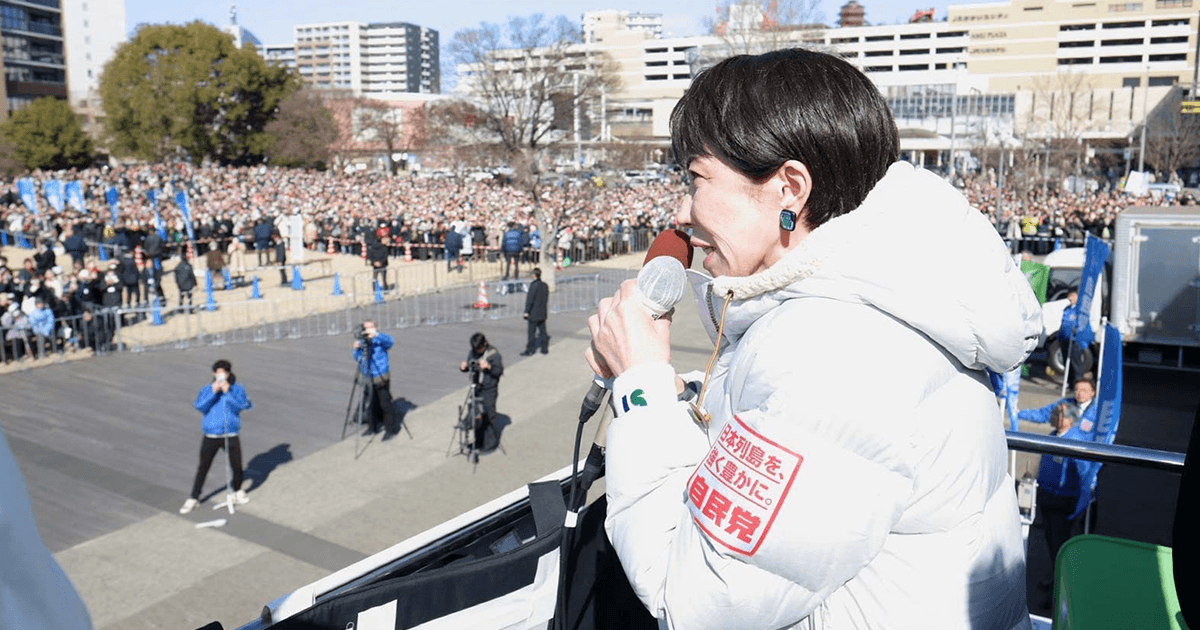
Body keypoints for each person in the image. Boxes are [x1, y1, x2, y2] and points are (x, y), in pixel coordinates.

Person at [585, 49, 1040, 630]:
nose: (683, 210)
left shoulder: (832, 351)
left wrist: (640, 387)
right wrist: (678, 395)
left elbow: (697, 603)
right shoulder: (871, 299)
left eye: (696, 178)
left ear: (789, 188)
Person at [180, 359, 252, 514]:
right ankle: (194, 497)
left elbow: (240, 406)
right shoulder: (207, 389)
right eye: (218, 373)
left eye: (224, 373)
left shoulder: (237, 389)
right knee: (203, 467)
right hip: (211, 435)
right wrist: (214, 391)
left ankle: (237, 491)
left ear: (228, 374)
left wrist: (228, 392)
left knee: (237, 465)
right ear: (214, 374)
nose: (221, 376)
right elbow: (200, 406)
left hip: (230, 434)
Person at [353, 320, 400, 440]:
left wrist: (376, 335)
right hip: (368, 375)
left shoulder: (380, 339)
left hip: (380, 375)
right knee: (370, 402)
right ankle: (372, 427)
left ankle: (391, 430)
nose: (368, 330)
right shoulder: (363, 341)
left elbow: (391, 342)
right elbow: (357, 358)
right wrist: (357, 349)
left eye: (371, 327)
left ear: (375, 328)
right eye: (366, 328)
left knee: (385, 402)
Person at [459, 332, 503, 455]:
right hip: (477, 388)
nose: (478, 351)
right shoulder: (473, 352)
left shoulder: (493, 354)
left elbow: (499, 371)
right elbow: (471, 365)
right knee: (477, 414)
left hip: (489, 388)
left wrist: (489, 366)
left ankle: (490, 445)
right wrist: (464, 367)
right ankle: (479, 442)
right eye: (476, 349)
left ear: (484, 344)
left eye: (479, 349)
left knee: (488, 414)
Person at [1019, 374, 1098, 433]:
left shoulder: (1099, 409)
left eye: (1084, 390)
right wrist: (1017, 413)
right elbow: (1043, 414)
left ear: (1092, 393)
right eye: (1077, 390)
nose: (1080, 393)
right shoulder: (1065, 403)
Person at [521, 267, 550, 356]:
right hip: (542, 312)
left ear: (534, 275)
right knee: (543, 332)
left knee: (531, 333)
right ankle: (544, 349)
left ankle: (530, 350)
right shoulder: (545, 285)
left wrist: (526, 311)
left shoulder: (533, 285)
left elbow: (530, 300)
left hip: (533, 313)